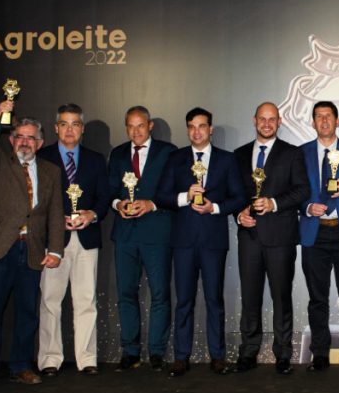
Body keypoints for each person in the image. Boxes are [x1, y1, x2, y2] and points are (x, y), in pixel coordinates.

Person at [0, 101, 64, 388]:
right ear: (11, 141)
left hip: (32, 249)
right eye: (19, 137)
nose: (25, 142)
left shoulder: (50, 171)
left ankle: (21, 365)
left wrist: (57, 250)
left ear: (40, 142)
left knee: (27, 313)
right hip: (0, 247)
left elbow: (55, 213)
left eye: (31, 138)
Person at [155, 107, 245, 377]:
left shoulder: (227, 160)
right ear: (187, 129)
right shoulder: (175, 158)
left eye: (202, 126)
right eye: (192, 126)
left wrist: (214, 208)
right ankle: (181, 356)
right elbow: (161, 196)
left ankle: (218, 356)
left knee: (214, 299)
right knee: (184, 300)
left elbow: (239, 198)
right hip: (183, 241)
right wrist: (185, 196)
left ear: (211, 129)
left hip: (213, 240)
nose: (197, 131)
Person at [233, 103, 310, 374]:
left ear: (279, 122)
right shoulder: (240, 155)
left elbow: (302, 191)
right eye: (262, 119)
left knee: (281, 296)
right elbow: (234, 194)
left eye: (272, 119)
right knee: (250, 297)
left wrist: (274, 203)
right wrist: (239, 213)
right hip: (250, 236)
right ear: (254, 120)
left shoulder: (292, 153)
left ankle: (283, 353)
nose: (267, 124)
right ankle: (248, 351)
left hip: (281, 237)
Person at [36, 103, 110, 376]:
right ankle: (50, 360)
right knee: (50, 301)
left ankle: (87, 359)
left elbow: (104, 198)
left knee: (86, 301)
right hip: (53, 241)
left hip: (86, 239)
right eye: (64, 124)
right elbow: (35, 201)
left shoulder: (95, 159)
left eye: (75, 124)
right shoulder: (41, 157)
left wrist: (92, 214)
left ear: (82, 129)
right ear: (56, 128)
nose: (70, 129)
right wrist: (55, 221)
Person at [108, 106, 175, 372]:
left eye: (140, 126)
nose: (135, 131)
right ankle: (130, 350)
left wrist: (152, 204)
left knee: (159, 294)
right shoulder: (117, 153)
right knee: (126, 293)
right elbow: (110, 190)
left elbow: (174, 191)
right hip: (125, 234)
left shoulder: (168, 153)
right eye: (130, 126)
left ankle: (157, 351)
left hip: (157, 233)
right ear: (126, 127)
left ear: (150, 126)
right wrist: (118, 204)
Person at [300, 101, 339, 373]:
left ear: (338, 121)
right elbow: (293, 189)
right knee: (318, 298)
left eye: (328, 116)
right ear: (313, 122)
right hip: (315, 232)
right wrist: (306, 206)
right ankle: (320, 355)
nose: (324, 120)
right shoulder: (300, 153)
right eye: (318, 116)